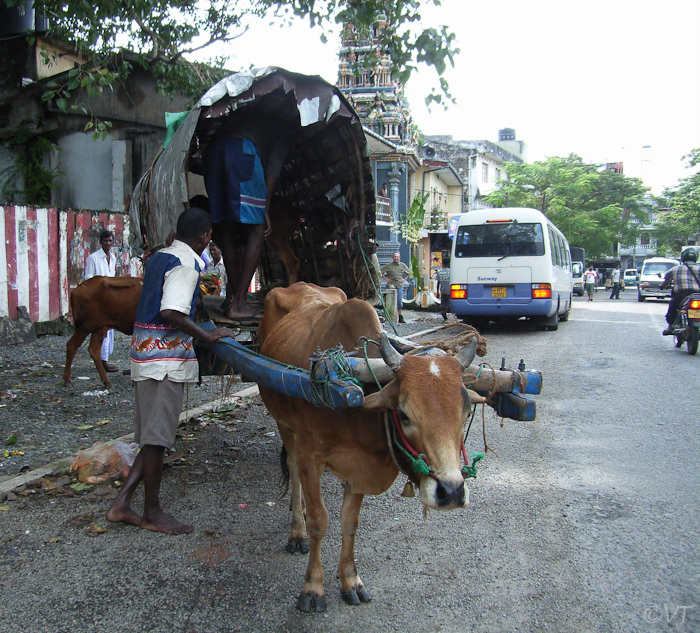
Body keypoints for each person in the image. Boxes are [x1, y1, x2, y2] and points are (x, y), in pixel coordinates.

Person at [106, 207, 234, 534]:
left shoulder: (161, 257)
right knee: (158, 438)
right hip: (163, 363)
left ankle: (122, 503)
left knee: (153, 439)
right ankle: (152, 513)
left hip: (143, 354)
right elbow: (172, 311)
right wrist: (207, 334)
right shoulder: (186, 265)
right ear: (205, 237)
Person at [203, 118, 291, 321]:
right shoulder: (286, 132)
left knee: (226, 227)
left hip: (213, 151)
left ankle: (234, 298)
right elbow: (273, 170)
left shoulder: (261, 121)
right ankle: (239, 304)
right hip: (239, 151)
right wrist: (264, 208)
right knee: (257, 229)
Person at [84, 230, 118, 372]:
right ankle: (102, 361)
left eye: (110, 241)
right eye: (105, 241)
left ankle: (104, 358)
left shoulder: (113, 258)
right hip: (98, 298)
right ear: (100, 242)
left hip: (110, 299)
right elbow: (89, 280)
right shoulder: (93, 258)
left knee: (109, 330)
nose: (108, 243)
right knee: (101, 330)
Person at [660, 248, 700, 335]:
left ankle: (670, 327)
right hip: (698, 295)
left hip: (682, 295)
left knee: (673, 308)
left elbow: (666, 281)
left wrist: (662, 286)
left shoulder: (675, 269)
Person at [381, 251, 411, 323]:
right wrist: (386, 279)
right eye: (395, 257)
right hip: (391, 284)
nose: (396, 258)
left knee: (399, 301)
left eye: (397, 257)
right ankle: (389, 315)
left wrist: (404, 279)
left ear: (399, 258)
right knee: (389, 301)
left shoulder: (402, 265)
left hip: (399, 284)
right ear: (393, 258)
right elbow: (380, 272)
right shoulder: (388, 266)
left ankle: (400, 316)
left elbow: (409, 272)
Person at [436, 255, 451, 321]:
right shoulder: (451, 271)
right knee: (449, 303)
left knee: (443, 303)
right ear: (448, 263)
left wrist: (437, 292)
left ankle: (444, 315)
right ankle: (444, 312)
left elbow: (438, 283)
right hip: (449, 290)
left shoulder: (439, 272)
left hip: (442, 289)